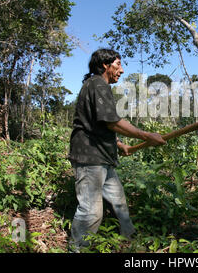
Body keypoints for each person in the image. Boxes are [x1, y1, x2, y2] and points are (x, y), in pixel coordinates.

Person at [67, 48, 166, 252]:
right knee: (91, 212)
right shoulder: (97, 84)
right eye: (118, 64)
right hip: (89, 158)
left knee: (119, 200)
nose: (121, 70)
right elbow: (112, 122)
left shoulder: (99, 87)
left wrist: (120, 145)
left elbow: (101, 124)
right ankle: (77, 249)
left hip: (103, 157)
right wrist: (147, 136)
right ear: (105, 65)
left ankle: (129, 237)